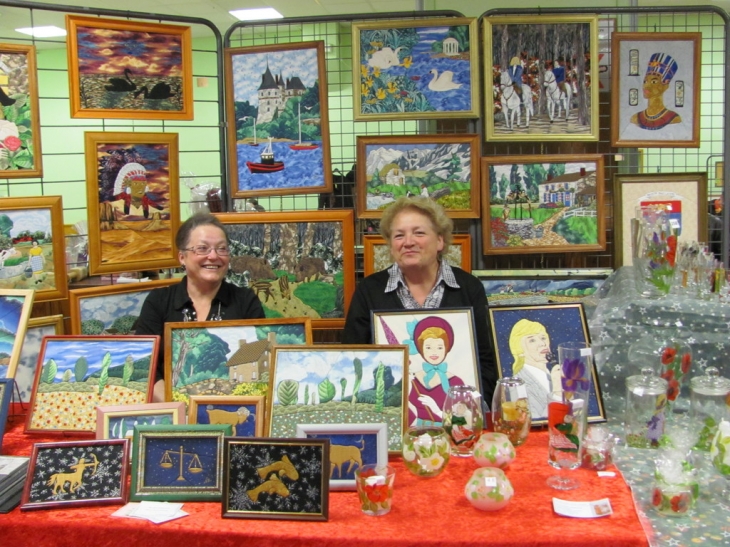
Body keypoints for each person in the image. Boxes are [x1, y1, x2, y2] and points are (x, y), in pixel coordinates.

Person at [343, 196, 497, 405]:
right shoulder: (369, 290)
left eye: (419, 233)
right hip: (393, 415)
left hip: (460, 415)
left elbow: (486, 361)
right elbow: (355, 358)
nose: (408, 242)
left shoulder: (469, 288)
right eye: (399, 235)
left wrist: (473, 409)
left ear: (440, 240)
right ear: (390, 246)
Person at [135, 212, 265, 400]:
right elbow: (145, 366)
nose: (213, 256)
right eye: (202, 249)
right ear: (182, 257)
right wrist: (175, 410)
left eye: (222, 249)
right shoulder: (159, 301)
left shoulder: (245, 300)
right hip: (170, 412)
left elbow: (258, 355)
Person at [408, 315, 464, 426]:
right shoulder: (412, 379)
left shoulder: (456, 382)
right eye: (428, 347)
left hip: (445, 435)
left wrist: (436, 410)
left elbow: (460, 422)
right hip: (415, 435)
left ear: (446, 348)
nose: (434, 352)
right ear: (421, 348)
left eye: (439, 347)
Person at [508, 318, 561, 419]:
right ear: (519, 349)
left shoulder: (553, 374)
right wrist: (558, 391)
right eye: (532, 340)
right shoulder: (517, 384)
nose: (542, 343)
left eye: (543, 338)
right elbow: (534, 419)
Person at [630, 53, 682, 130]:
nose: (646, 86)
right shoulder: (636, 118)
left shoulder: (673, 117)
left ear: (665, 86)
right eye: (645, 81)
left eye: (654, 82)